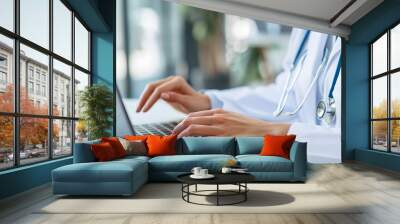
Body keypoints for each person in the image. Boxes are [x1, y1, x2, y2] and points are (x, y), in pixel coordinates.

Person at [136, 28, 342, 161]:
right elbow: (289, 94)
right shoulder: (308, 23)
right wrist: (210, 102)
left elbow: (362, 145)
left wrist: (272, 131)